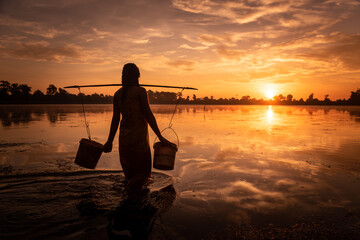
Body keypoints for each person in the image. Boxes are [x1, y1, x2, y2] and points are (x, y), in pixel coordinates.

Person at [103, 63, 171, 191]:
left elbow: (115, 120)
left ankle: (128, 198)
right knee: (142, 174)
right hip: (138, 140)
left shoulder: (117, 94)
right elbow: (149, 115)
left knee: (130, 175)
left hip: (124, 140)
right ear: (137, 76)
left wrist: (110, 141)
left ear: (123, 76)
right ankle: (129, 194)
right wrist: (160, 136)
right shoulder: (140, 91)